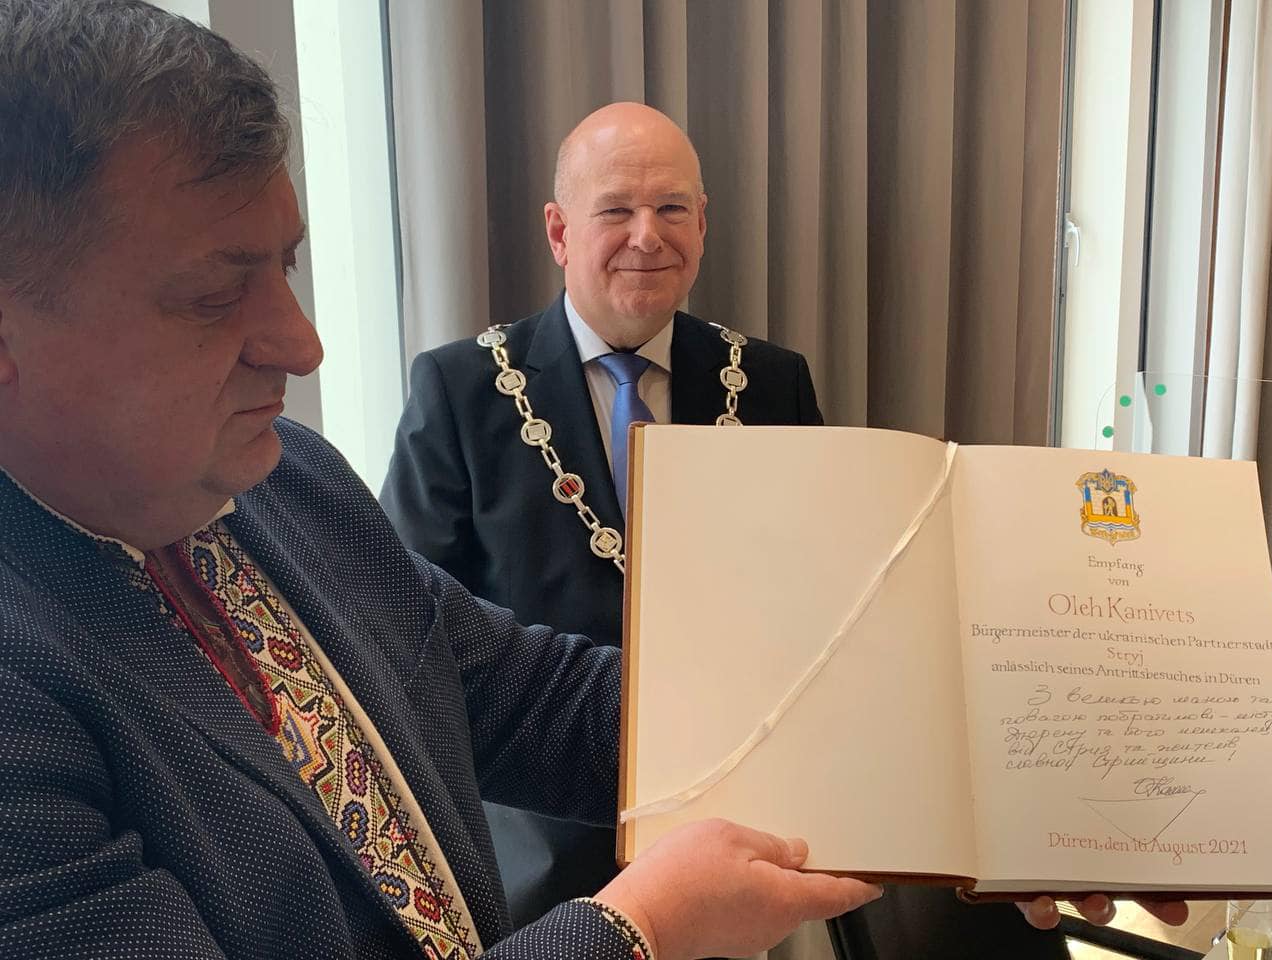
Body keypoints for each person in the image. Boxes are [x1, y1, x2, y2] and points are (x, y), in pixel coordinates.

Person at [0, 3, 880, 958]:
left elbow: (526, 698)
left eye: (286, 268)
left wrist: (884, 728)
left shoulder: (293, 482)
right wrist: (639, 930)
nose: (302, 344)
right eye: (215, 295)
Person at [381, 101, 824, 927]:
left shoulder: (771, 383)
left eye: (672, 208)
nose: (647, 236)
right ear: (559, 232)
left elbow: (821, 600)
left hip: (735, 834)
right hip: (537, 871)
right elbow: (403, 632)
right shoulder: (461, 391)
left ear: (703, 224)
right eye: (616, 210)